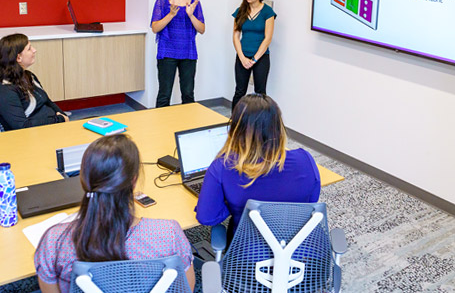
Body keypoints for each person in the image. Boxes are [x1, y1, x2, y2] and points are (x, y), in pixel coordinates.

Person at [34, 135, 195, 293]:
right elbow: (186, 287)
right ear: (133, 181)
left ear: (83, 179)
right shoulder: (169, 234)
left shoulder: (54, 241)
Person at [195, 94, 320, 237]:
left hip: (247, 254)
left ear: (236, 128)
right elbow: (310, 202)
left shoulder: (224, 166)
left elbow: (207, 218)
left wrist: (233, 204)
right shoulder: (305, 160)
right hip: (298, 247)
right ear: (278, 126)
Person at [151, 0, 205, 108]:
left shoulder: (194, 2)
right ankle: (161, 128)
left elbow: (202, 29)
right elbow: (155, 28)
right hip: (167, 52)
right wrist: (171, 14)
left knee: (188, 94)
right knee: (164, 94)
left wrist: (191, 15)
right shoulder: (162, 1)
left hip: (188, 52)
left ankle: (187, 128)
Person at [0, 33, 69, 131]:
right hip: (31, 136)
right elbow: (22, 126)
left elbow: (47, 101)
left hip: (52, 126)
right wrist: (59, 119)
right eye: (29, 48)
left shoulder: (29, 76)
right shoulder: (5, 90)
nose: (34, 50)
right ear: (18, 58)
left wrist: (64, 116)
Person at [231, 0, 276, 110]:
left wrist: (254, 59)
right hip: (242, 56)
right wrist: (242, 57)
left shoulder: (267, 12)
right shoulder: (240, 11)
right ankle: (235, 122)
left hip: (261, 57)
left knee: (260, 93)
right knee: (240, 91)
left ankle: (260, 124)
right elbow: (235, 35)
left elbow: (268, 38)